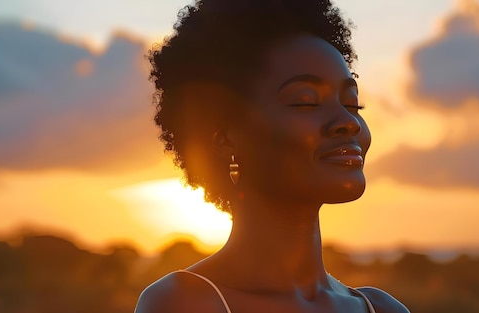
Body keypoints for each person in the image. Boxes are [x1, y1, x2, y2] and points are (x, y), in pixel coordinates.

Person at [135, 0, 410, 312]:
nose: (348, 122)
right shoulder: (186, 302)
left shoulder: (381, 308)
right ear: (225, 137)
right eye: (306, 101)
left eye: (351, 104)